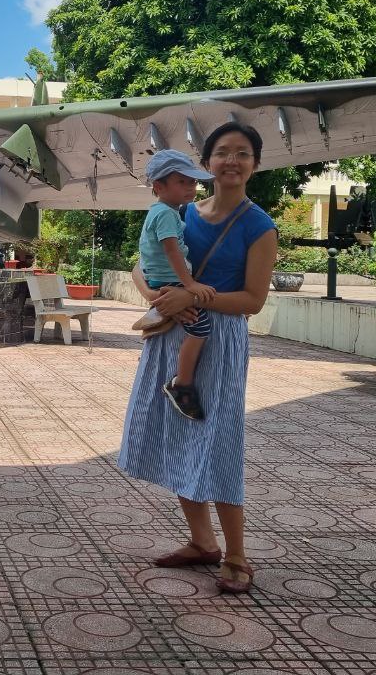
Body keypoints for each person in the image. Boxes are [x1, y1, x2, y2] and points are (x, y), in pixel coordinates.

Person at [118, 122, 278, 595]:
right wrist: (157, 296)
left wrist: (191, 298)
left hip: (219, 341)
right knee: (180, 436)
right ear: (206, 163)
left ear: (255, 164)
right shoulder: (180, 211)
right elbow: (140, 264)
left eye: (243, 153)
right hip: (174, 332)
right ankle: (202, 541)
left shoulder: (259, 226)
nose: (232, 160)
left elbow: (253, 301)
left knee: (219, 440)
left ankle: (236, 554)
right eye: (223, 152)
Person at [134, 150, 218, 420]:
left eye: (193, 182)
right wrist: (190, 284)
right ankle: (182, 383)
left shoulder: (161, 211)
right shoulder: (167, 215)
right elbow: (171, 250)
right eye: (182, 182)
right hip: (171, 280)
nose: (191, 187)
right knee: (200, 329)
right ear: (159, 187)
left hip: (161, 279)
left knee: (188, 323)